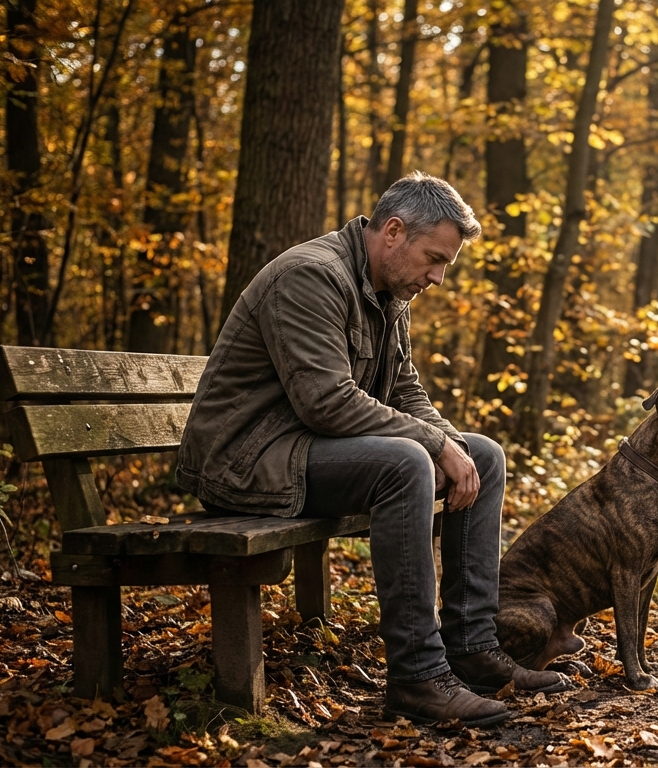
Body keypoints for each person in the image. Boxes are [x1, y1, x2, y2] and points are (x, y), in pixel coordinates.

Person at [177, 172, 569, 727]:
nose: (437, 277)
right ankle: (417, 679)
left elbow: (405, 388)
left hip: (306, 451)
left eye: (445, 266)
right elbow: (326, 402)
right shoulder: (310, 277)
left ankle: (474, 649)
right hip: (247, 461)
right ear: (392, 231)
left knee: (483, 453)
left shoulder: (389, 293)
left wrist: (452, 444)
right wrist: (432, 444)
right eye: (434, 259)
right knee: (406, 461)